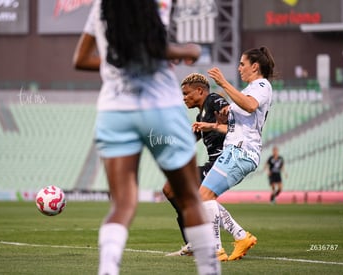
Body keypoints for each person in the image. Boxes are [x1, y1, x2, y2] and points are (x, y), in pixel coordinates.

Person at [73, 1, 220, 274]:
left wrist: (116, 65)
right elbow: (150, 47)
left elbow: (80, 60)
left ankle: (107, 269)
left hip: (115, 110)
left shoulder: (102, 7)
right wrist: (188, 50)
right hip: (160, 107)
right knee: (189, 197)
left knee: (122, 203)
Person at [199, 46, 275, 261]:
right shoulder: (251, 89)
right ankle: (240, 237)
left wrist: (223, 83)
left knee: (204, 196)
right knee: (205, 197)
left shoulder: (261, 85)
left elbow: (250, 106)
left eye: (242, 63)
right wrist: (213, 125)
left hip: (240, 152)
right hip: (236, 151)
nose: (239, 67)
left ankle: (217, 250)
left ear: (255, 66)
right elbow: (238, 126)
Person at [163, 73, 229, 259]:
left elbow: (230, 117)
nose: (184, 98)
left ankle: (198, 242)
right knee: (174, 191)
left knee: (173, 189)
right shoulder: (202, 114)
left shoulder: (213, 100)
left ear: (200, 91)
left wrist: (223, 118)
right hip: (215, 162)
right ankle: (195, 241)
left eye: (186, 93)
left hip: (224, 161)